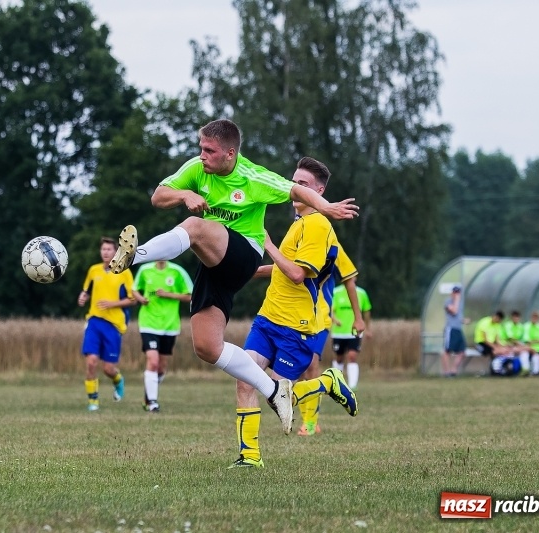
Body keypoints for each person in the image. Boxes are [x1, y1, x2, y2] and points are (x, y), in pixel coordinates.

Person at [108, 119, 359, 434]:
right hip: (214, 263)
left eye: (210, 151)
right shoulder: (197, 168)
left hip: (244, 254)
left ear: (230, 153)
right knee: (207, 347)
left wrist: (328, 207)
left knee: (196, 227)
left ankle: (136, 255)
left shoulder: (253, 176)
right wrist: (185, 194)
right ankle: (274, 391)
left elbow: (297, 190)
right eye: (201, 148)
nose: (202, 156)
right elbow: (158, 196)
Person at [233, 156, 360, 467]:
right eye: (294, 183)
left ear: (318, 191)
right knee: (244, 378)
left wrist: (268, 244)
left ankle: (327, 383)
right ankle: (249, 456)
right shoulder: (299, 224)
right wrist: (247, 271)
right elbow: (281, 268)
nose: (295, 189)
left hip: (296, 325)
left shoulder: (317, 224)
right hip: (267, 319)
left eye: (302, 185)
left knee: (278, 394)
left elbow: (297, 274)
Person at [297, 268, 364, 436]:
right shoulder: (297, 246)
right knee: (299, 370)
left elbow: (349, 278)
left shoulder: (333, 247)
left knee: (311, 365)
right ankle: (308, 417)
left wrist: (358, 318)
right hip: (297, 317)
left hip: (320, 320)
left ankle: (310, 423)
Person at [77, 237, 136, 411]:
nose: (105, 252)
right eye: (103, 249)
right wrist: (83, 297)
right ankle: (93, 401)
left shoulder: (124, 272)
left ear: (116, 252)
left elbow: (132, 300)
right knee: (91, 361)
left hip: (114, 325)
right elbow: (86, 291)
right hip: (94, 321)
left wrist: (113, 304)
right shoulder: (93, 270)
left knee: (108, 369)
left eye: (109, 249)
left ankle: (118, 380)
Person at [132, 260, 194, 412]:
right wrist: (140, 299)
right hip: (148, 323)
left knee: (161, 367)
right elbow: (134, 289)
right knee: (152, 361)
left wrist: (168, 294)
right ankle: (152, 402)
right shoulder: (145, 270)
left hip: (169, 325)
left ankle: (148, 395)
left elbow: (190, 296)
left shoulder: (177, 271)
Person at [331, 280, 372, 389]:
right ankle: (336, 383)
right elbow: (330, 310)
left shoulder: (361, 293)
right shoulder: (336, 292)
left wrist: (367, 328)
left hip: (354, 331)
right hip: (339, 332)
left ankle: (352, 385)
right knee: (339, 358)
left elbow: (367, 311)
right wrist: (335, 320)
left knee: (352, 356)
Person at [440, 286, 466, 377]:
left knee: (462, 351)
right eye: (455, 292)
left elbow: (458, 316)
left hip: (458, 329)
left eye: (458, 292)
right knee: (447, 350)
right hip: (450, 329)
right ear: (452, 293)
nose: (457, 294)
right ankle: (446, 372)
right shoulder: (448, 302)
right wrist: (456, 300)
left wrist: (464, 321)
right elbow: (454, 311)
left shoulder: (460, 303)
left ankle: (453, 370)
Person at [502, 310, 529, 375]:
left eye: (517, 317)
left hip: (517, 346)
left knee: (525, 353)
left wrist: (523, 345)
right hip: (507, 345)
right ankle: (507, 370)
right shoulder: (508, 325)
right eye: (514, 317)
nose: (516, 319)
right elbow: (510, 338)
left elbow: (523, 338)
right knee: (510, 354)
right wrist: (521, 345)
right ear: (511, 318)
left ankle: (525, 370)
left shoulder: (520, 326)